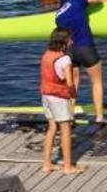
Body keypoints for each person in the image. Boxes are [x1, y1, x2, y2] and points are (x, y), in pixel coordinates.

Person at [52, 0, 106, 124]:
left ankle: (70, 116)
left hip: (70, 51)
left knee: (73, 83)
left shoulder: (58, 15)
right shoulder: (77, 1)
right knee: (96, 82)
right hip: (85, 47)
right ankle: (99, 116)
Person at [40, 27, 84, 174]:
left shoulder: (46, 55)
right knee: (66, 130)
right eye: (70, 39)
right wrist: (73, 96)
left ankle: (47, 164)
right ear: (64, 42)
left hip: (46, 95)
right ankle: (67, 166)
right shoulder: (65, 59)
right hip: (59, 97)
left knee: (52, 128)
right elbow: (70, 83)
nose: (72, 41)